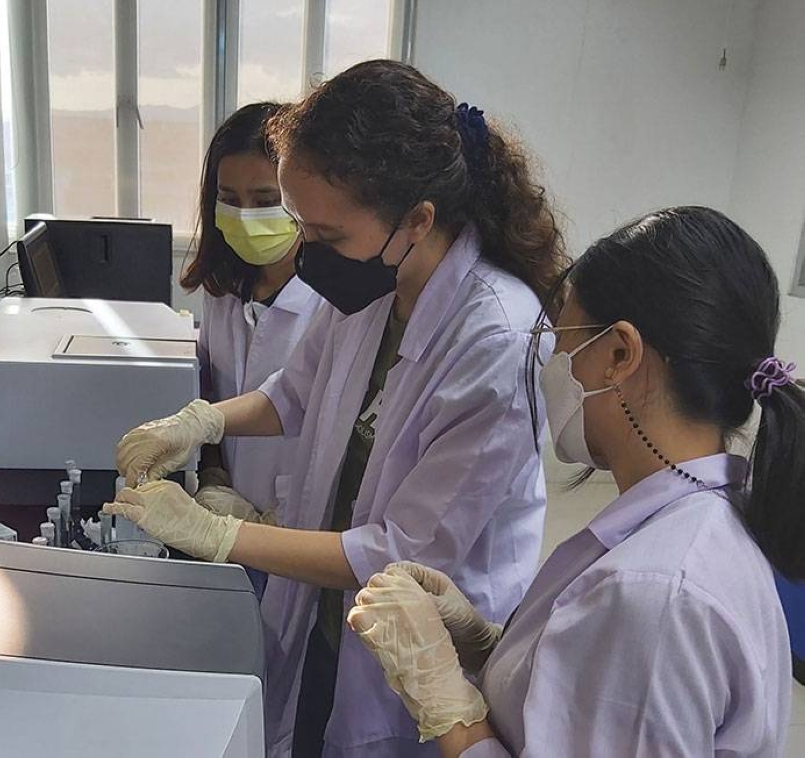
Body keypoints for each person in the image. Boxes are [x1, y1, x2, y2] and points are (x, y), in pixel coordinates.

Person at [106, 60, 569, 756]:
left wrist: (220, 536)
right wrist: (200, 422)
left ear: (418, 220)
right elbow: (294, 393)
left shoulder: (495, 340)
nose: (307, 253)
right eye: (303, 228)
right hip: (328, 604)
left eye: (327, 236)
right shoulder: (374, 282)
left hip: (416, 647)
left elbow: (401, 554)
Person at [348, 206, 802, 757]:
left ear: (618, 354)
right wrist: (487, 646)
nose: (553, 363)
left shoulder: (656, 594)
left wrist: (448, 706)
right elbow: (596, 699)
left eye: (562, 338)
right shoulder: (697, 516)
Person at [180, 103, 322, 579]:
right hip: (229, 513)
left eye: (265, 199)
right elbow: (212, 392)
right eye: (230, 198)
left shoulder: (335, 303)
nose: (245, 216)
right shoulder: (222, 288)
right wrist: (216, 474)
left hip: (303, 534)